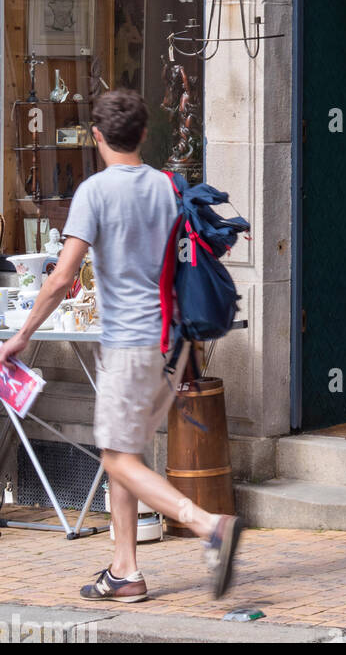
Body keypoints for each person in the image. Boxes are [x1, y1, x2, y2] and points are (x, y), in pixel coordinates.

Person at [0, 88, 243, 603]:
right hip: (171, 345)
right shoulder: (166, 186)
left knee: (115, 459)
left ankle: (207, 525)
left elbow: (62, 275)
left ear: (96, 136)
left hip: (129, 344)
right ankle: (125, 570)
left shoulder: (95, 191)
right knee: (126, 449)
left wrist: (22, 335)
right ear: (143, 134)